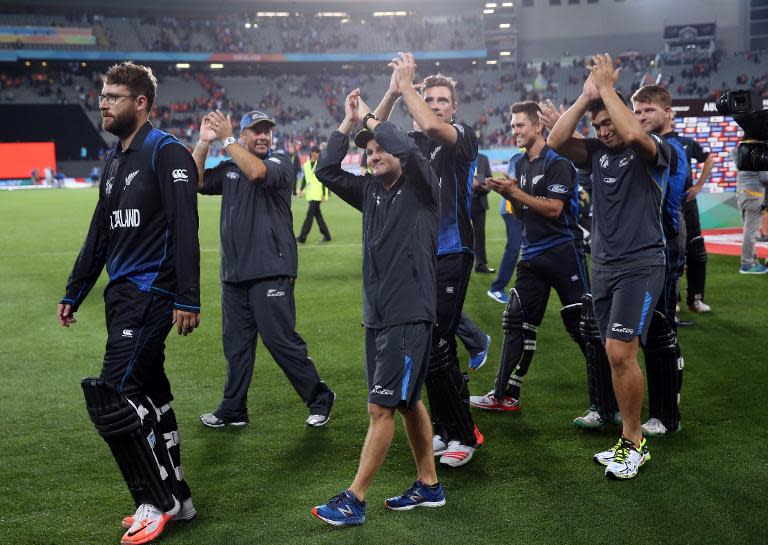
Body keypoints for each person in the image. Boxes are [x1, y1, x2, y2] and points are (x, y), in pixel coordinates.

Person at [57, 62, 200, 545]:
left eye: (114, 96)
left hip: (152, 292)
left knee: (114, 394)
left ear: (141, 103)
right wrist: (75, 290)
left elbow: (186, 230)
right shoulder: (116, 160)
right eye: (102, 95)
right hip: (121, 295)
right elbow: (100, 234)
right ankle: (177, 496)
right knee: (149, 389)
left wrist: (187, 296)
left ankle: (152, 500)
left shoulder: (167, 152)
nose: (103, 102)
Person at [311, 89, 445, 527]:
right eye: (368, 153)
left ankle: (355, 498)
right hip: (378, 314)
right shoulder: (369, 191)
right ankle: (429, 485)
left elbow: (404, 143)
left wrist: (375, 111)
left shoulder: (422, 183)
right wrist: (349, 124)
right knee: (408, 403)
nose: (373, 155)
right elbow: (326, 170)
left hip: (409, 313)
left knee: (381, 407)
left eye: (380, 148)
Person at [548, 54, 671, 480]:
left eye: (608, 124)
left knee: (621, 351)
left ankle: (635, 442)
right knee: (613, 354)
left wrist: (607, 90)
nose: (604, 131)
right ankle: (626, 440)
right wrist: (586, 98)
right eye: (598, 127)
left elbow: (634, 130)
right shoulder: (596, 153)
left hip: (641, 264)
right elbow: (556, 141)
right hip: (602, 266)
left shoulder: (655, 151)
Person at [192, 109, 335, 429]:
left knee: (279, 340)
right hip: (235, 274)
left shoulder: (280, 162)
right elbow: (196, 181)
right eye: (256, 131)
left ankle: (319, 396)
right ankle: (233, 409)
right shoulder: (229, 169)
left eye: (267, 131)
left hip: (271, 268)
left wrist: (226, 139)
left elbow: (256, 173)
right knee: (236, 346)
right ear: (244, 135)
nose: (263, 136)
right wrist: (203, 143)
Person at [374, 52, 483, 467]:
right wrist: (391, 91)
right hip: (419, 257)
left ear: (453, 108)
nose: (436, 106)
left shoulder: (461, 136)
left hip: (453, 252)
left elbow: (433, 125)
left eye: (442, 100)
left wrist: (409, 89)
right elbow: (373, 137)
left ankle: (464, 434)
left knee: (437, 346)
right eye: (430, 98)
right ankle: (444, 425)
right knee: (431, 348)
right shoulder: (414, 143)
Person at [468, 101, 604, 427]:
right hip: (531, 254)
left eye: (520, 126)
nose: (514, 131)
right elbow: (524, 208)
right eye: (512, 126)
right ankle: (504, 395)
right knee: (516, 321)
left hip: (563, 252)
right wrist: (507, 192)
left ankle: (605, 401)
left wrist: (513, 191)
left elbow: (554, 209)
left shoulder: (559, 162)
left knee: (582, 325)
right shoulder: (518, 162)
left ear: (538, 127)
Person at [632, 85, 688, 435]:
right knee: (657, 329)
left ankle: (667, 416)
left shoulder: (670, 149)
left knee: (660, 329)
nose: (641, 118)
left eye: (648, 111)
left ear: (668, 112)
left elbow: (667, 202)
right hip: (659, 243)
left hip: (664, 243)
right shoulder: (659, 146)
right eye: (636, 112)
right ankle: (667, 405)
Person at [679, 125, 714, 312]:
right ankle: (671, 300)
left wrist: (699, 185)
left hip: (687, 203)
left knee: (697, 252)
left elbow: (708, 158)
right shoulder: (647, 141)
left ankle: (695, 298)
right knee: (669, 251)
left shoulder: (686, 142)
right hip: (662, 204)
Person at [486, 150, 524, 304]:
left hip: (519, 207)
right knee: (514, 248)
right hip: (511, 208)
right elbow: (514, 183)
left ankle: (526, 287)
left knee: (525, 248)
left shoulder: (525, 156)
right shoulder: (519, 157)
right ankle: (496, 288)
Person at [735, 159, 768, 274]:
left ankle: (752, 261)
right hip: (754, 195)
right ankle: (747, 264)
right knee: (751, 231)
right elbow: (765, 177)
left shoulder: (746, 151)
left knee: (748, 230)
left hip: (742, 193)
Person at [297, 145, 332, 243]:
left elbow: (324, 181)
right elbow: (304, 180)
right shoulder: (306, 165)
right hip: (310, 195)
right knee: (318, 216)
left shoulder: (320, 165)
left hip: (317, 195)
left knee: (309, 216)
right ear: (313, 153)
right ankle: (327, 235)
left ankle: (302, 237)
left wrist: (325, 195)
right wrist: (301, 190)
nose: (319, 155)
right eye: (318, 153)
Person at [472, 152, 495, 273]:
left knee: (480, 234)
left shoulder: (483, 158)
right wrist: (475, 180)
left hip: (479, 201)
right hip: (463, 202)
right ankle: (459, 263)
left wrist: (476, 181)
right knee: (461, 234)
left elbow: (489, 179)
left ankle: (480, 264)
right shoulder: (461, 154)